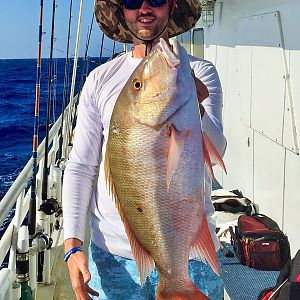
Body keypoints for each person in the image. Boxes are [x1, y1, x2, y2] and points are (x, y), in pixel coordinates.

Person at [62, 0, 227, 299]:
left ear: (172, 6)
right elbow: (82, 165)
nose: (144, 8)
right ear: (121, 12)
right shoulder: (100, 80)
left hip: (192, 256)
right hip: (113, 258)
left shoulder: (202, 72)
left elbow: (218, 149)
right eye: (131, 1)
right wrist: (72, 244)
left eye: (157, 0)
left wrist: (196, 106)